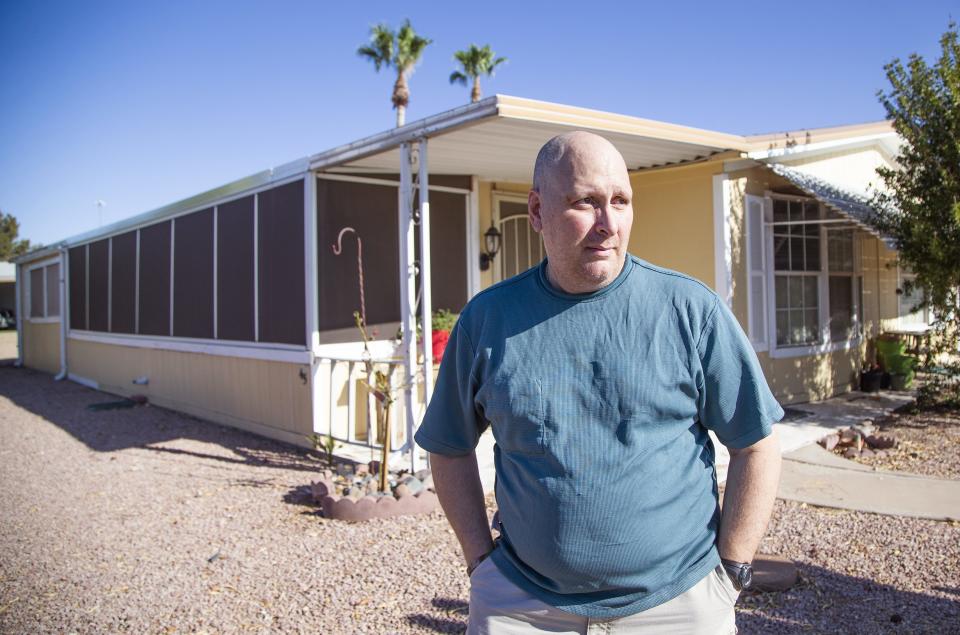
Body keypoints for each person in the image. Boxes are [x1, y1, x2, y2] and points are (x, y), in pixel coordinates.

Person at [414, 131, 783, 634]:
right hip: (522, 608)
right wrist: (481, 565)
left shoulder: (690, 311)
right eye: (585, 202)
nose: (608, 225)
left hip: (677, 604)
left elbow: (757, 444)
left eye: (620, 201)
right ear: (538, 212)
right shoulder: (488, 320)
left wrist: (731, 571)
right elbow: (449, 446)